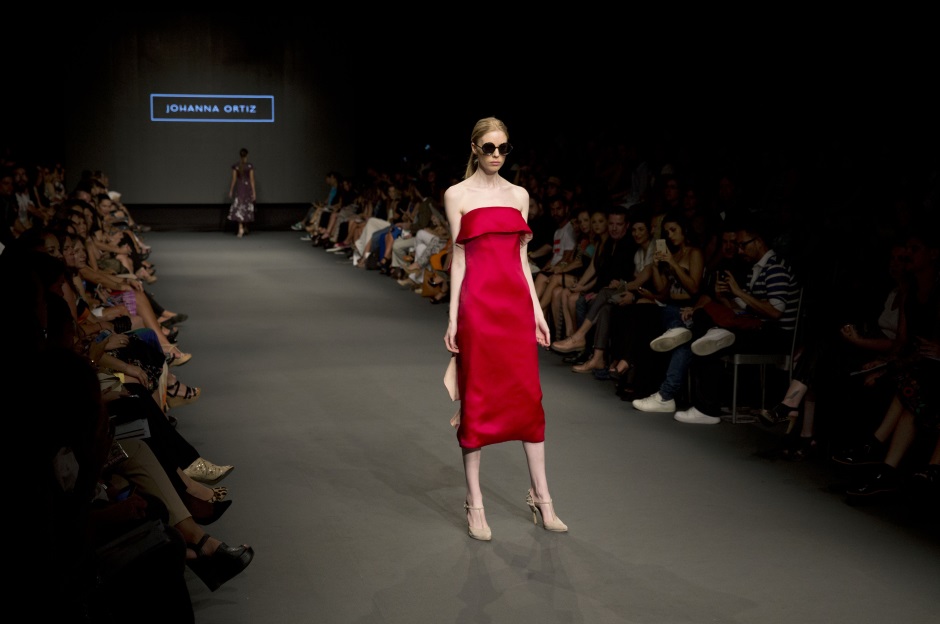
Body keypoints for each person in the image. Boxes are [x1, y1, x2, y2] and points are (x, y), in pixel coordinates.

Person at [443, 117, 567, 541]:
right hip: (478, 307)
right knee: (477, 399)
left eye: (503, 148)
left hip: (514, 307)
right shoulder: (457, 195)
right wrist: (453, 317)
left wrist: (538, 312)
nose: (497, 155)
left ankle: (542, 497)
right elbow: (459, 259)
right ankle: (475, 503)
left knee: (528, 399)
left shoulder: (519, 195)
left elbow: (521, 260)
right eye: (489, 148)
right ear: (474, 148)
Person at [228, 148, 256, 238]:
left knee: (240, 207)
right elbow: (252, 180)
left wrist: (231, 190)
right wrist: (254, 192)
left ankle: (242, 228)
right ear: (247, 155)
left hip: (240, 188)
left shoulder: (236, 166)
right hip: (247, 188)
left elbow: (234, 180)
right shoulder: (249, 166)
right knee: (246, 206)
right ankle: (243, 227)